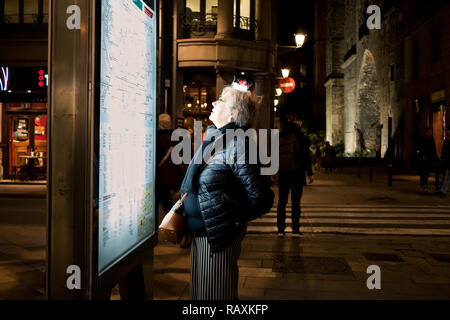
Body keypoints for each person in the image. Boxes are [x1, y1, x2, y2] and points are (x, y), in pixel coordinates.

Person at [179, 85, 274, 300]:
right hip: (202, 234)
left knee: (215, 296)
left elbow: (261, 197)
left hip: (217, 236)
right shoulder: (215, 139)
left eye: (220, 100)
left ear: (234, 113)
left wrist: (230, 218)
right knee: (202, 296)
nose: (213, 103)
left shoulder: (238, 144)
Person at [276, 114, 314, 238]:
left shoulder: (279, 136)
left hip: (283, 173)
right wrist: (310, 173)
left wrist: (272, 172)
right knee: (296, 202)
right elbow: (306, 157)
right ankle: (295, 229)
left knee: (282, 201)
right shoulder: (302, 137)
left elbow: (272, 154)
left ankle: (280, 229)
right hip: (297, 173)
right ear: (298, 122)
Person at [156, 114, 183, 218]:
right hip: (175, 176)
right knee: (170, 204)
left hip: (162, 177)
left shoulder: (157, 138)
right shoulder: (177, 138)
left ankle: (172, 226)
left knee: (166, 205)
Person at [417, 127, 438, 193]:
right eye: (429, 132)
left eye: (431, 132)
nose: (430, 133)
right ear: (426, 132)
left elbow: (434, 149)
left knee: (427, 173)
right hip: (423, 159)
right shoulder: (422, 139)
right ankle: (422, 186)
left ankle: (425, 186)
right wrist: (422, 155)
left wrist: (435, 158)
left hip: (429, 159)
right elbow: (420, 148)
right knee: (423, 173)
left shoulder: (432, 139)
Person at [437, 126, 450, 197]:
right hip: (447, 161)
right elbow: (443, 150)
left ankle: (443, 190)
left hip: (448, 161)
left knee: (447, 177)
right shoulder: (446, 141)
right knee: (447, 177)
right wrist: (442, 158)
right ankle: (443, 191)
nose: (447, 132)